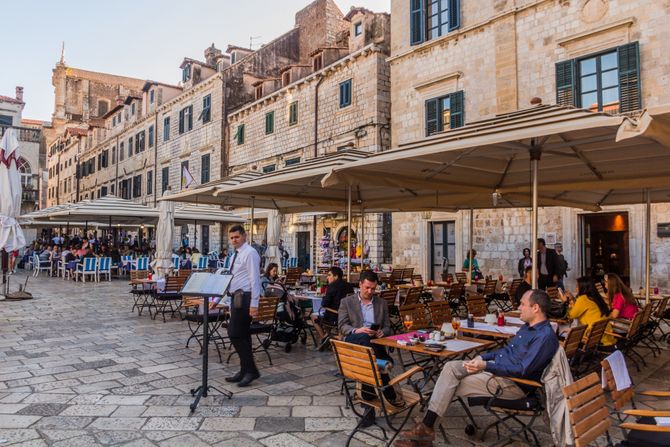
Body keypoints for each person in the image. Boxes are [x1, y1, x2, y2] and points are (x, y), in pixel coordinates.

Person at [395, 289, 559, 446]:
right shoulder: (527, 327)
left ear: (535, 308)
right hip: (498, 371)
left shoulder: (544, 337)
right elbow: (506, 350)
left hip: (513, 384)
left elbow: (522, 370)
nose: (518, 307)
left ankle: (424, 433)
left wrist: (487, 365)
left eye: (522, 304)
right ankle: (425, 432)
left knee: (450, 384)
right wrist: (482, 357)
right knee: (450, 368)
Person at [338, 270, 403, 427]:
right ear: (360, 284)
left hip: (373, 346)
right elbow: (342, 326)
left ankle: (368, 411)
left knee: (368, 355)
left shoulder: (381, 303)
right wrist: (357, 330)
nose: (370, 291)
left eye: (373, 289)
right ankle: (385, 380)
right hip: (354, 342)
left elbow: (388, 327)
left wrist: (382, 332)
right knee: (365, 337)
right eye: (367, 288)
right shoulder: (347, 302)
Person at [214, 224, 262, 387]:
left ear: (244, 236)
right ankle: (245, 370)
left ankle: (251, 370)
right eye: (232, 238)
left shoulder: (250, 253)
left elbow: (255, 279)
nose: (234, 240)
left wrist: (254, 304)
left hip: (245, 298)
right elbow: (231, 278)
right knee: (242, 335)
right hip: (235, 298)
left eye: (237, 237)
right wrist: (220, 299)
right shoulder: (236, 254)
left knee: (235, 333)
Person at [558, 276, 615, 346]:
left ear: (583, 288)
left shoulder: (583, 299)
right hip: (605, 336)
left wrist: (565, 302)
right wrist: (572, 299)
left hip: (592, 338)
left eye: (577, 286)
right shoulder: (595, 297)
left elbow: (570, 315)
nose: (576, 288)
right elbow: (581, 308)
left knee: (560, 331)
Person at [313, 266, 351, 350]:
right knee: (326, 318)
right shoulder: (349, 285)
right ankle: (328, 336)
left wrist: (324, 297)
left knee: (313, 316)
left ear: (336, 276)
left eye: (329, 275)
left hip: (334, 316)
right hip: (347, 316)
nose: (327, 277)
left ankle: (324, 339)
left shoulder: (332, 286)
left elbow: (324, 304)